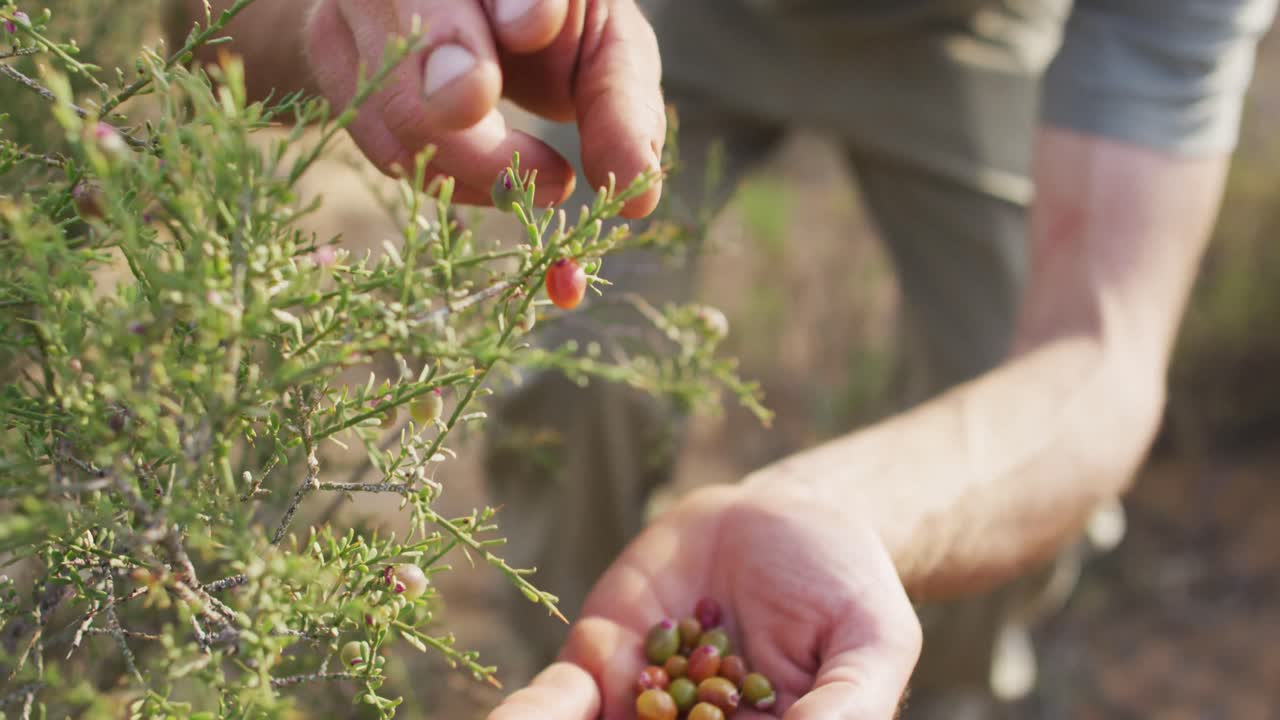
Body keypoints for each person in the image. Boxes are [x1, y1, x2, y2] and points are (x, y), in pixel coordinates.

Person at [175, 1, 1277, 717]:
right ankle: (566, 660)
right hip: (678, 19)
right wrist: (332, 21)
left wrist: (829, 513)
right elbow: (205, 33)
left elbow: (1094, 357)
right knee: (574, 374)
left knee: (1014, 462)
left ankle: (928, 689)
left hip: (985, 35)